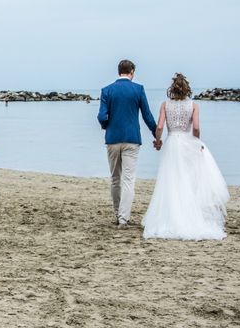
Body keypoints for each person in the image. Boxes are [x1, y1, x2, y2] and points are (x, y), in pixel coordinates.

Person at [142, 74, 229, 240]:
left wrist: (158, 141)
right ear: (187, 88)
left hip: (172, 143)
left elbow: (159, 127)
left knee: (171, 180)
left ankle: (170, 218)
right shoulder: (194, 105)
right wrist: (196, 143)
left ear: (172, 89)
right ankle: (190, 217)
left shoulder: (165, 105)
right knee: (189, 181)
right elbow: (196, 128)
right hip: (187, 143)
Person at [97, 59, 158, 228]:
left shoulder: (107, 90)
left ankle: (117, 214)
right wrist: (156, 134)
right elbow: (147, 116)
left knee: (115, 179)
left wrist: (106, 126)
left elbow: (102, 116)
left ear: (119, 71)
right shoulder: (138, 89)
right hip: (132, 139)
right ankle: (123, 219)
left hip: (112, 139)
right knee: (128, 180)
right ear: (131, 72)